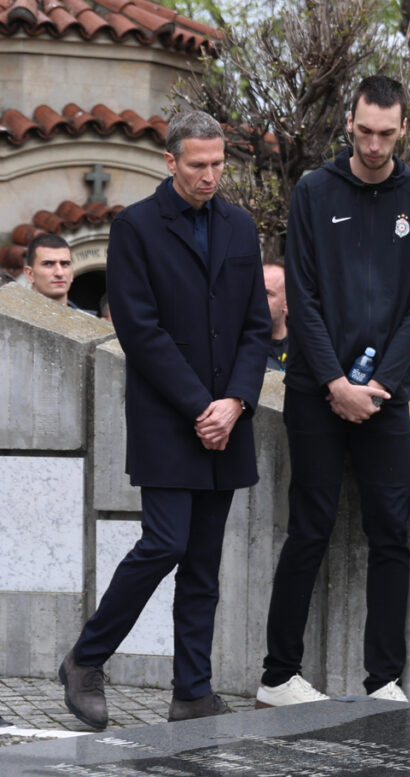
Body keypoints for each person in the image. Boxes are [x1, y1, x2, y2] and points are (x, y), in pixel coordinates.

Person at [58, 110, 271, 729]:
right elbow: (139, 329)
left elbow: (256, 326)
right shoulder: (136, 229)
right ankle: (86, 659)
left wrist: (234, 401)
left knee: (204, 559)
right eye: (198, 165)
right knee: (166, 543)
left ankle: (192, 692)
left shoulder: (240, 225)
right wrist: (199, 405)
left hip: (227, 418)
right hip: (168, 418)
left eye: (218, 163)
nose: (211, 175)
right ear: (170, 162)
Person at [258, 75, 410, 708]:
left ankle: (383, 681)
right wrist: (336, 382)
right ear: (349, 124)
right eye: (364, 131)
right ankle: (278, 676)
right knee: (309, 528)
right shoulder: (314, 190)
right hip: (316, 388)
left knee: (391, 533)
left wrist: (380, 383)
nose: (373, 144)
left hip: (388, 396)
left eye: (385, 134)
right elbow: (302, 294)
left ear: (402, 130)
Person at [24, 234, 77, 307]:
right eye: (48, 264)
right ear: (30, 274)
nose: (59, 273)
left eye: (65, 264)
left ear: (72, 274)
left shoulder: (87, 318)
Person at [263, 259, 288, 371]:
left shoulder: (307, 346)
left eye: (268, 293)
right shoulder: (238, 347)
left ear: (287, 304)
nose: (258, 299)